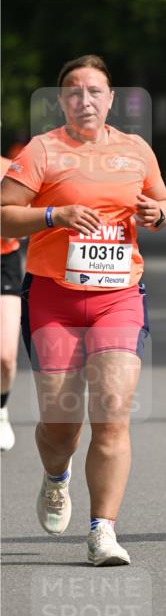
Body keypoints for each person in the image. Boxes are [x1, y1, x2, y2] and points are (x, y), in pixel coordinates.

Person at [0, 54, 166, 565]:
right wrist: (54, 214)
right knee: (60, 424)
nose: (85, 100)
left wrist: (155, 213)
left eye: (95, 91)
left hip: (119, 297)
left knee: (113, 412)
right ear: (61, 101)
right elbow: (4, 217)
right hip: (54, 296)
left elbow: (162, 205)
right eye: (74, 92)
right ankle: (57, 477)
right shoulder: (42, 151)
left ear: (111, 98)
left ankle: (103, 530)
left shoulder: (135, 149)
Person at [1, 155, 23, 450]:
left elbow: (22, 223)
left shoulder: (12, 169)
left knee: (5, 356)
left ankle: (1, 408)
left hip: (3, 260)